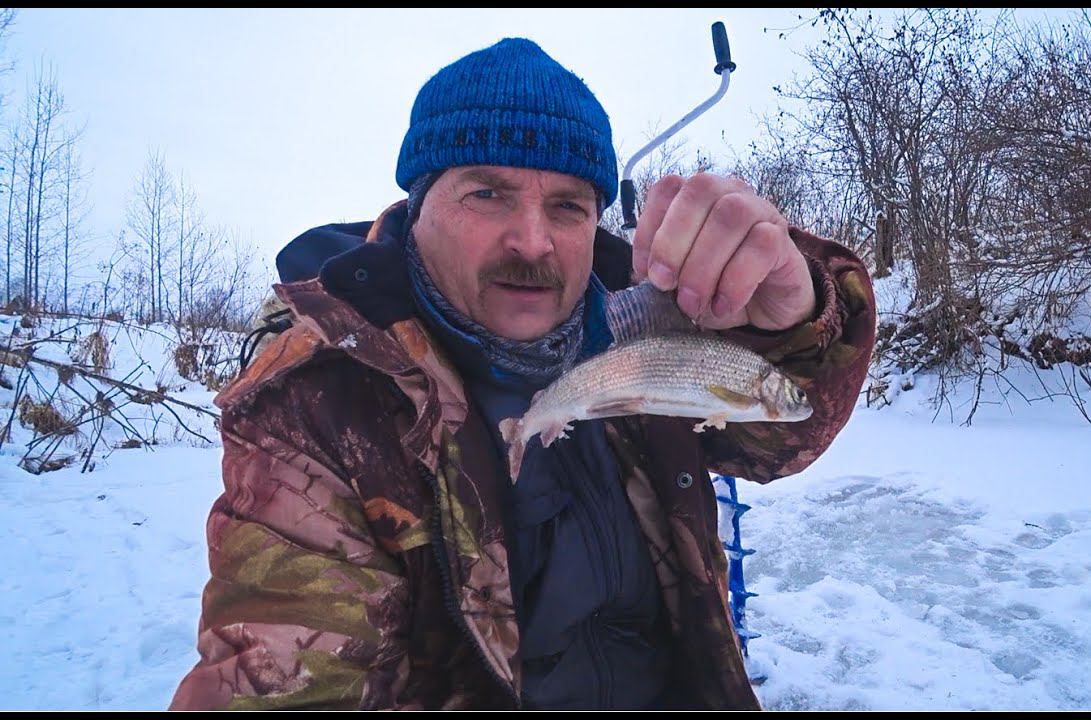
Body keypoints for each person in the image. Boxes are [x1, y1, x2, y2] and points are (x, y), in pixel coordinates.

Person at [170, 37, 876, 711]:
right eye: (488, 194)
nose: (532, 242)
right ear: (421, 208)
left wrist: (795, 319)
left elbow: (780, 437)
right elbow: (288, 676)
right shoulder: (317, 403)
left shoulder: (647, 319)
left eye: (568, 205)